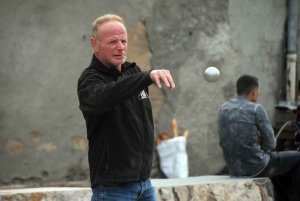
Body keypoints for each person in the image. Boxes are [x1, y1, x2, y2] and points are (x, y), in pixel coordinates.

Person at [77, 14, 175, 201]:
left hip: (145, 184)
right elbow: (106, 96)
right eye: (112, 42)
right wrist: (146, 77)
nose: (121, 47)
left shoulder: (133, 72)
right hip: (113, 189)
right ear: (94, 44)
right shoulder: (89, 80)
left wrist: (141, 77)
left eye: (124, 41)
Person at [218, 74, 300, 201]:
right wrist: (260, 143)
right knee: (297, 157)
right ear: (254, 91)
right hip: (256, 167)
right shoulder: (256, 109)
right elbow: (271, 144)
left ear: (237, 91)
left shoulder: (223, 109)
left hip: (233, 169)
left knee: (280, 167)